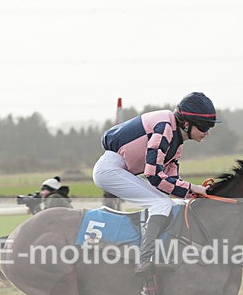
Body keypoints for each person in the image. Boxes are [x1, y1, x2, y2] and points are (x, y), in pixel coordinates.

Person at [92, 92, 220, 281]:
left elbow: (170, 181)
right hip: (110, 169)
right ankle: (144, 260)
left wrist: (192, 195)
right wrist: (193, 188)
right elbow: (153, 175)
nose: (207, 132)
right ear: (186, 123)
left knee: (168, 203)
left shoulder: (177, 143)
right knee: (161, 204)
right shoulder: (164, 128)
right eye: (204, 127)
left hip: (121, 169)